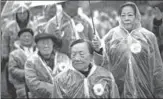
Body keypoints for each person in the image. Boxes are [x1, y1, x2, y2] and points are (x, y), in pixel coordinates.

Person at [101, 2, 163, 98]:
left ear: (136, 16)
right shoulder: (112, 35)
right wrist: (97, 49)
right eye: (123, 15)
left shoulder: (148, 36)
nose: (126, 18)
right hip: (119, 91)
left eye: (130, 15)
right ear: (119, 17)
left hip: (145, 90)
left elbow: (157, 67)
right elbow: (103, 63)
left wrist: (159, 91)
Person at [52, 39, 120, 98]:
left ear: (91, 56)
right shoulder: (60, 79)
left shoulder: (106, 76)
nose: (77, 58)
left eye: (81, 54)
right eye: (73, 54)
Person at [25, 32, 71, 98]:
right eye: (43, 43)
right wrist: (55, 91)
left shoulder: (64, 58)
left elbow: (71, 77)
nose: (46, 46)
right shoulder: (31, 61)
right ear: (37, 45)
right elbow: (33, 83)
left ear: (53, 44)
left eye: (48, 43)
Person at [2, 5, 34, 72]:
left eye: (24, 13)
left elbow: (35, 40)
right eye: (20, 13)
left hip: (28, 56)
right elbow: (4, 41)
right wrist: (5, 55)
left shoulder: (33, 25)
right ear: (16, 14)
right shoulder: (10, 26)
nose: (22, 15)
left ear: (28, 13)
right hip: (12, 55)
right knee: (12, 74)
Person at [8, 28, 36, 98]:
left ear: (32, 38)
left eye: (29, 36)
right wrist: (28, 73)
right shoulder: (14, 54)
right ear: (19, 39)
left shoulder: (38, 51)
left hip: (40, 83)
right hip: (22, 85)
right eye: (24, 36)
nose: (26, 38)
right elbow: (12, 70)